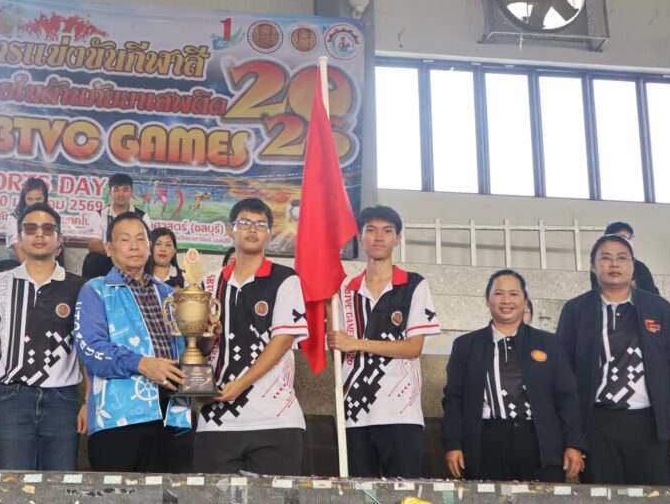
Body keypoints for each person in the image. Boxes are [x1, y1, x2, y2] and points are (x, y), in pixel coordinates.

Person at [558, 235, 670, 486]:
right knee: (601, 497)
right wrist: (572, 437)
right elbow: (563, 378)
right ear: (592, 265)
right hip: (597, 425)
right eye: (605, 258)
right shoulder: (575, 310)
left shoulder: (659, 308)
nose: (614, 264)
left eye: (622, 258)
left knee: (653, 498)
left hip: (650, 426)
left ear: (632, 265)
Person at [0, 202, 88, 471]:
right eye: (31, 228)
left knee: (59, 485)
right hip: (11, 398)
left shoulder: (80, 288)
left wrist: (88, 402)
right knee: (13, 483)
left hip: (64, 401)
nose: (39, 234)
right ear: (20, 237)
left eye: (48, 229)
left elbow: (88, 350)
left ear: (60, 240)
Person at [194, 198, 309, 476]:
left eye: (260, 224)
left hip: (275, 417)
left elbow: (282, 341)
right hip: (216, 419)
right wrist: (210, 334)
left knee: (274, 496)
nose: (252, 229)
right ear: (229, 229)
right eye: (244, 222)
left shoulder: (285, 279)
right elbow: (197, 348)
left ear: (269, 234)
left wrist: (240, 385)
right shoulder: (208, 283)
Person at [327, 205, 441, 479]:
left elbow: (413, 348)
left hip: (401, 413)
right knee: (359, 492)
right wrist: (330, 317)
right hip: (354, 413)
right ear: (359, 237)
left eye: (387, 231)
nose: (379, 237)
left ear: (397, 238)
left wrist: (357, 343)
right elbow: (338, 353)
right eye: (371, 230)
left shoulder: (414, 285)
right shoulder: (344, 290)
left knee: (404, 492)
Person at [442, 269, 585, 482]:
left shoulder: (550, 343)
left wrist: (573, 443)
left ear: (525, 301)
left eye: (514, 294)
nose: (506, 300)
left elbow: (567, 398)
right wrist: (453, 443)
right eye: (498, 293)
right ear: (487, 300)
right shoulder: (466, 345)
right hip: (486, 443)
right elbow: (454, 398)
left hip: (540, 443)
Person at [74, 212, 191, 472]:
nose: (135, 246)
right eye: (125, 239)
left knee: (165, 493)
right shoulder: (96, 290)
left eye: (141, 239)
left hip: (169, 416)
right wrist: (142, 364)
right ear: (109, 248)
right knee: (117, 493)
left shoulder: (167, 293)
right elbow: (90, 349)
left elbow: (186, 348)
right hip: (117, 420)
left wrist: (208, 334)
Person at [81, 173, 152, 279]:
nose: (121, 194)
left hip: (133, 259)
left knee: (148, 258)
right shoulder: (99, 215)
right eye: (116, 190)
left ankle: (145, 286)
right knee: (92, 258)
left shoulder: (143, 217)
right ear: (110, 192)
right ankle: (92, 288)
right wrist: (117, 252)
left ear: (131, 192)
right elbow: (93, 245)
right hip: (107, 259)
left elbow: (146, 245)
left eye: (125, 190)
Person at [0, 177, 63, 274]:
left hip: (45, 257)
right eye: (30, 199)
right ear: (23, 199)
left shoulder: (51, 217)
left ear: (45, 198)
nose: (33, 203)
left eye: (38, 199)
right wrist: (33, 273)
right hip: (21, 259)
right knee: (2, 255)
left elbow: (56, 246)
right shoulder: (14, 218)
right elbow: (17, 248)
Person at [589, 222, 659, 295]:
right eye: (622, 237)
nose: (627, 240)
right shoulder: (600, 266)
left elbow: (654, 295)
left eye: (629, 237)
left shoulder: (639, 266)